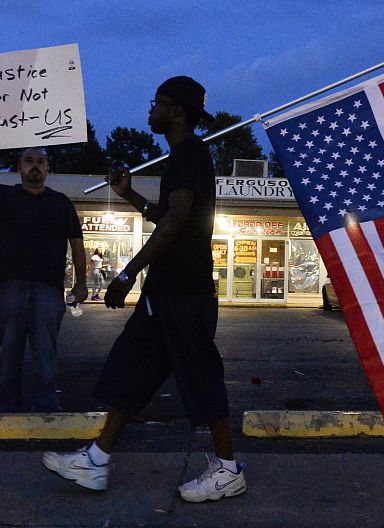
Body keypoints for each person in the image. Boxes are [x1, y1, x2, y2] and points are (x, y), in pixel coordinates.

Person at [42, 76, 246, 502]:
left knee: (202, 377)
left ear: (176, 111)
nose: (149, 110)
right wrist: (129, 194)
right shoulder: (180, 157)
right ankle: (96, 460)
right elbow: (166, 214)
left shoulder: (191, 151)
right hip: (165, 293)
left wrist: (126, 272)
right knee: (130, 371)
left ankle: (228, 470)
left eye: (157, 103)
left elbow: (175, 222)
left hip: (184, 293)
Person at [0, 121, 87, 412]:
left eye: (41, 161)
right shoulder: (3, 196)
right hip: (9, 287)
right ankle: (6, 405)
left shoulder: (61, 203)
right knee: (9, 351)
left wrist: (81, 282)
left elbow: (77, 244)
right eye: (29, 161)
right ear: (19, 167)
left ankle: (45, 406)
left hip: (49, 289)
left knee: (45, 352)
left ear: (48, 169)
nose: (35, 166)